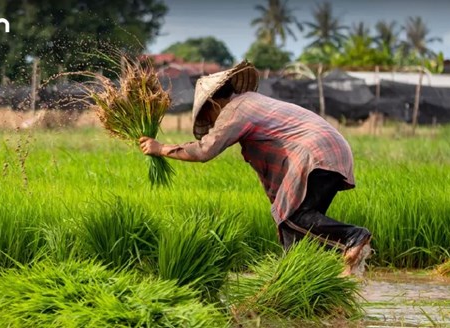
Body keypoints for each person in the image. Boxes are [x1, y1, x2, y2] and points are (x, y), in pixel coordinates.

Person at [139, 61, 372, 276]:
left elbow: (204, 150)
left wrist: (161, 149)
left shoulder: (236, 110)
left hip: (315, 153)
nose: (212, 124)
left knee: (295, 217)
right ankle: (301, 281)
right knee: (296, 231)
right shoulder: (254, 104)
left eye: (209, 117)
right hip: (331, 151)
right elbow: (273, 178)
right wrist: (279, 214)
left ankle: (353, 236)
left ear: (212, 103)